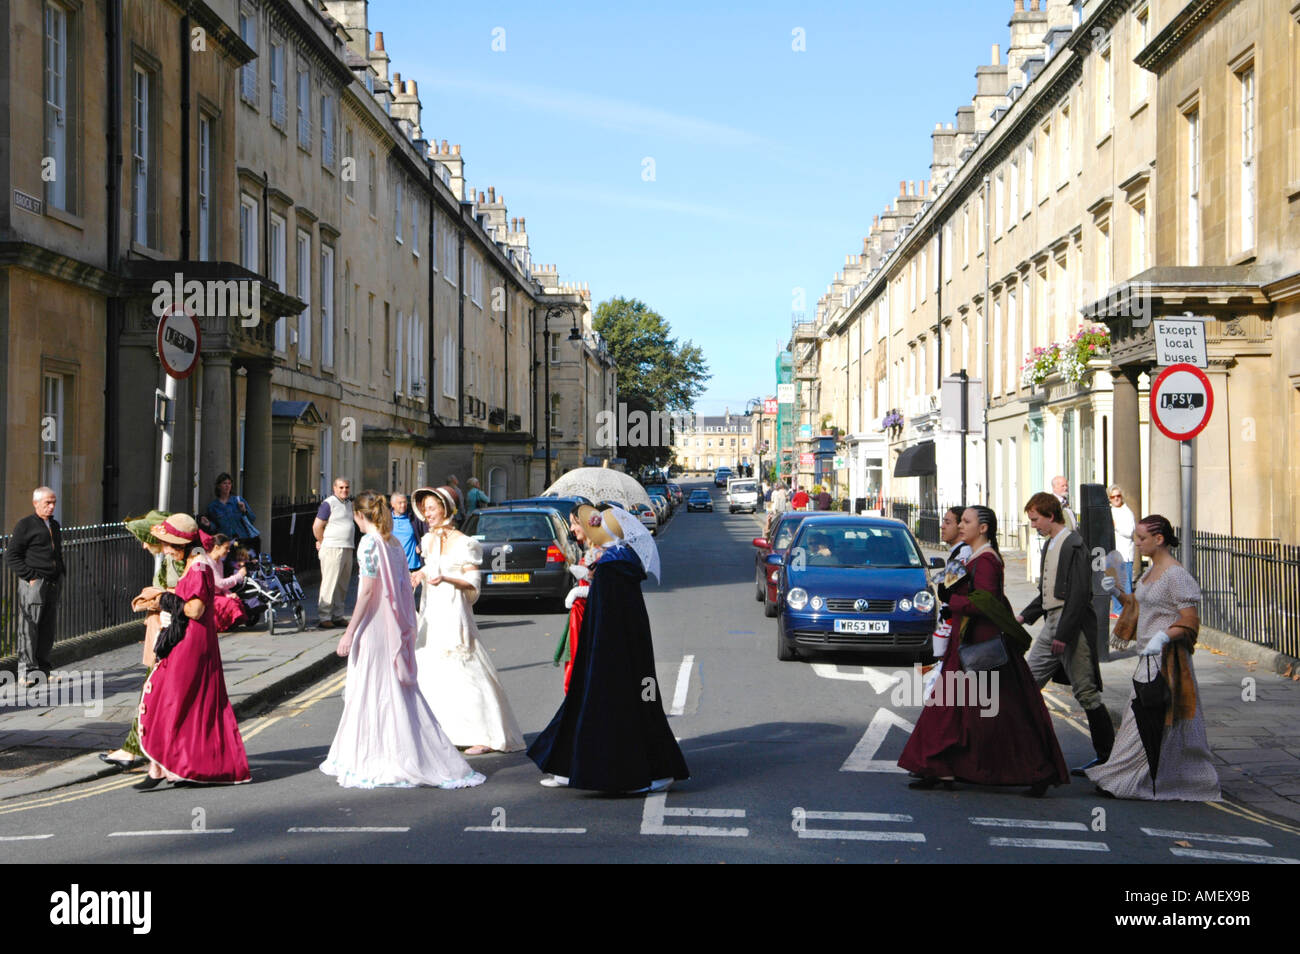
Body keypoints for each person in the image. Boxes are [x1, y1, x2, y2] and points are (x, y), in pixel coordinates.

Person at [898, 506, 1069, 796]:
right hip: (968, 639)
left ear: (983, 528)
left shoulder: (987, 560)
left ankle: (1036, 769)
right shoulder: (976, 557)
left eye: (966, 521)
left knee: (999, 711)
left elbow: (986, 603)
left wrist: (956, 604)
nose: (960, 526)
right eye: (960, 521)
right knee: (953, 707)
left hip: (980, 643)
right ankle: (939, 766)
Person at [320, 491, 485, 790]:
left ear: (359, 515)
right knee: (396, 691)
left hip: (373, 626)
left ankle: (373, 756)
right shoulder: (393, 543)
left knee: (369, 688)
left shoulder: (369, 542)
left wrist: (349, 631)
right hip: (393, 627)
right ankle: (409, 753)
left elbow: (367, 591)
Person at [530, 505, 689, 793]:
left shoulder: (614, 566)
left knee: (619, 709)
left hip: (612, 654)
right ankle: (567, 766)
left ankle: (639, 774)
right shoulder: (617, 563)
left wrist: (586, 587)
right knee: (589, 703)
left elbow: (609, 617)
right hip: (614, 650)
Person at [1088, 516, 1220, 801]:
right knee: (1140, 717)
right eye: (1136, 537)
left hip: (1168, 661)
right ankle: (1127, 775)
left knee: (1153, 720)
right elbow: (1140, 607)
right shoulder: (1151, 571)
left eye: (1141, 538)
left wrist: (1163, 637)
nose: (1136, 543)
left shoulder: (1176, 575)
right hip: (1146, 658)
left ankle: (1133, 779)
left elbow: (1190, 621)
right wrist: (1117, 592)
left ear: (1159, 539)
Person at [134, 514, 250, 789]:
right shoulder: (192, 563)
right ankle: (171, 768)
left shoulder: (198, 567)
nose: (165, 549)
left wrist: (163, 598)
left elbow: (195, 610)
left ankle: (174, 768)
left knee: (172, 701)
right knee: (187, 704)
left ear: (184, 544)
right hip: (189, 640)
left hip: (191, 642)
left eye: (169, 544)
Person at [410, 486, 524, 755]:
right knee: (434, 672)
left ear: (446, 509)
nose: (427, 514)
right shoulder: (428, 541)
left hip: (454, 611)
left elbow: (474, 584)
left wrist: (446, 579)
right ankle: (444, 732)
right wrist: (420, 575)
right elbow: (432, 566)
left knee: (466, 671)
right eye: (425, 509)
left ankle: (484, 736)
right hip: (432, 611)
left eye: (432, 508)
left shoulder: (465, 543)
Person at [1017, 492, 1114, 776]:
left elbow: (1080, 593)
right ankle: (1031, 751)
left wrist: (1064, 634)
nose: (1033, 525)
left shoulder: (1074, 544)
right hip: (1052, 623)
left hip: (1072, 627)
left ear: (1050, 515)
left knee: (1086, 693)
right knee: (1027, 683)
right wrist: (1023, 616)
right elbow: (1047, 593)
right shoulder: (1051, 544)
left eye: (1035, 519)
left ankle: (1107, 758)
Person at [6, 488, 65, 686]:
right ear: (35, 503)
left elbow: (57, 553)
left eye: (54, 502)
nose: (51, 506)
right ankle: (26, 672)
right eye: (47, 503)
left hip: (53, 582)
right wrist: (30, 577)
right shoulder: (25, 525)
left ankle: (43, 670)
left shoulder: (54, 525)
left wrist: (61, 572)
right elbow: (12, 555)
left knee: (47, 628)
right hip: (34, 583)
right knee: (29, 627)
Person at [313, 477, 355, 629]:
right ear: (334, 488)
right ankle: (324, 616)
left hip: (347, 546)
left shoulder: (349, 504)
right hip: (332, 547)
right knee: (329, 582)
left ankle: (338, 615)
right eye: (341, 487)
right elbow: (317, 525)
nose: (344, 490)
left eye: (347, 487)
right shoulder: (328, 503)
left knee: (342, 584)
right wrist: (322, 541)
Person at [196, 533, 247, 633]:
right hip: (208, 596)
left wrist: (228, 594)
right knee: (230, 603)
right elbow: (219, 583)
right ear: (216, 547)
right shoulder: (207, 561)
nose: (228, 551)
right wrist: (239, 576)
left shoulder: (219, 562)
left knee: (236, 601)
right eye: (226, 548)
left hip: (218, 594)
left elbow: (221, 586)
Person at [206, 473, 260, 553]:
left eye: (229, 483)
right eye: (224, 483)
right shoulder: (213, 506)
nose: (227, 486)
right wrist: (209, 524)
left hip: (242, 540)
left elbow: (252, 519)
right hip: (225, 543)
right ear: (218, 486)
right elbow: (215, 528)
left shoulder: (238, 501)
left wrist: (244, 510)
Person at [1108, 484, 1136, 619]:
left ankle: (1128, 611)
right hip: (1113, 554)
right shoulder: (1110, 511)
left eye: (1118, 496)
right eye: (1113, 497)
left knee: (1125, 585)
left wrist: (1116, 526)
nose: (1116, 499)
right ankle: (1118, 609)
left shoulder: (1127, 512)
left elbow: (1130, 532)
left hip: (1125, 554)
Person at [389, 493, 426, 573]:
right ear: (393, 504)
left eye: (405, 502)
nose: (403, 505)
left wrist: (421, 545)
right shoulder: (386, 519)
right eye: (400, 503)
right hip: (392, 565)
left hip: (411, 566)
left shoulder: (414, 517)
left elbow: (428, 532)